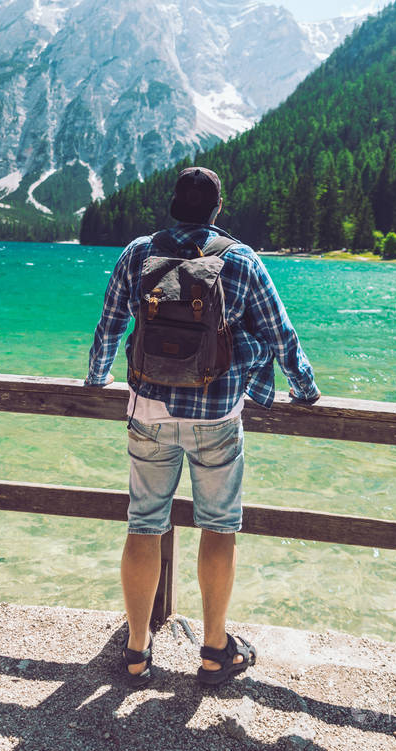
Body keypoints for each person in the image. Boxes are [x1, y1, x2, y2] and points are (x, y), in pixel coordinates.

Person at [85, 166, 320, 686]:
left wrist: (98, 377)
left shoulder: (138, 253)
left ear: (173, 205)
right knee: (218, 526)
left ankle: (137, 651)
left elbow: (110, 326)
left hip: (148, 411)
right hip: (216, 417)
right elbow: (281, 335)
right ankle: (215, 652)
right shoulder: (241, 259)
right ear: (217, 209)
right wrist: (304, 389)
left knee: (144, 525)